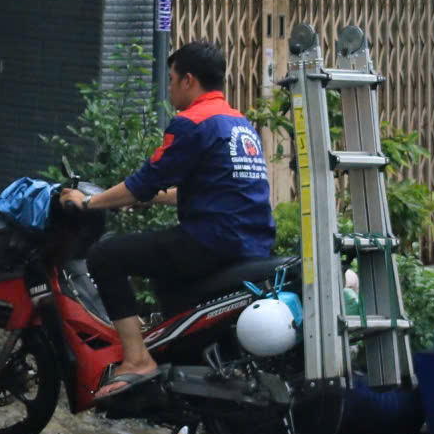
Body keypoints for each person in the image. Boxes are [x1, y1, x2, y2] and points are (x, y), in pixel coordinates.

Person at [58, 39, 274, 400]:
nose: (169, 88)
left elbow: (142, 182)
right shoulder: (238, 123)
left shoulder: (192, 122)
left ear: (188, 80)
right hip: (251, 243)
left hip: (212, 242)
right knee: (172, 295)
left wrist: (90, 201)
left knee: (105, 255)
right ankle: (187, 402)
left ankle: (137, 359)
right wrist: (148, 201)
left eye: (171, 80)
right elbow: (211, 187)